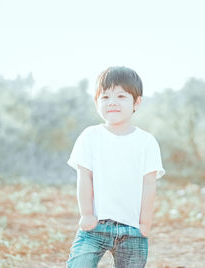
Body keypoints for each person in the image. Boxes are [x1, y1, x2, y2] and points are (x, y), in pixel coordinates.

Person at [66, 66, 165, 267]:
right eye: (105, 97)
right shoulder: (90, 136)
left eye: (121, 96)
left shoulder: (146, 142)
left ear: (136, 102)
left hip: (133, 229)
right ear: (96, 102)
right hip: (95, 226)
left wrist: (145, 223)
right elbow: (84, 177)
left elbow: (149, 184)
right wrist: (86, 213)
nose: (112, 102)